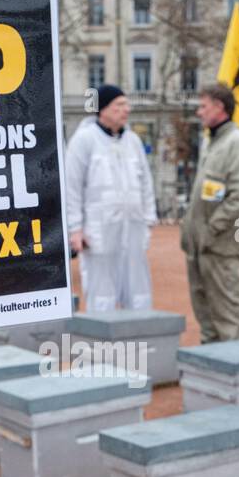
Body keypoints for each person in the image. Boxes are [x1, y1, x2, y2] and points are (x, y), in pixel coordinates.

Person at [65, 84, 158, 311]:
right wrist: (75, 229)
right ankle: (103, 342)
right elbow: (72, 187)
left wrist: (148, 219)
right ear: (103, 109)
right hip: (98, 230)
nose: (126, 110)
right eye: (119, 105)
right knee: (101, 290)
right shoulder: (84, 140)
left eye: (126, 104)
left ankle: (139, 337)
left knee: (137, 288)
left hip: (133, 227)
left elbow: (146, 182)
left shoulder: (133, 141)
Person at [181, 83, 239, 342]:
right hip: (199, 246)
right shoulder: (212, 142)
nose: (198, 112)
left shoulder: (237, 142)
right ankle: (210, 364)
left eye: (203, 106)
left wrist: (213, 228)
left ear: (220, 107)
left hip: (220, 245)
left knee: (228, 313)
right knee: (204, 309)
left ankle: (236, 366)